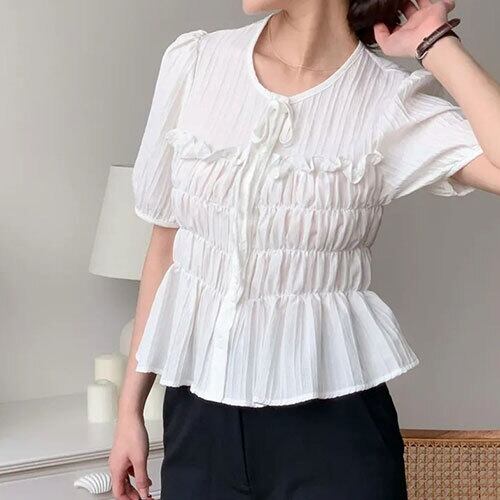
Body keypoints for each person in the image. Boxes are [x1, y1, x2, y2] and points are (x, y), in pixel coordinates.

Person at [109, 0, 500, 498]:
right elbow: (167, 247)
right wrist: (129, 411)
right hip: (199, 424)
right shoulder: (198, 62)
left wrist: (434, 41)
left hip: (332, 433)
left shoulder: (387, 100)